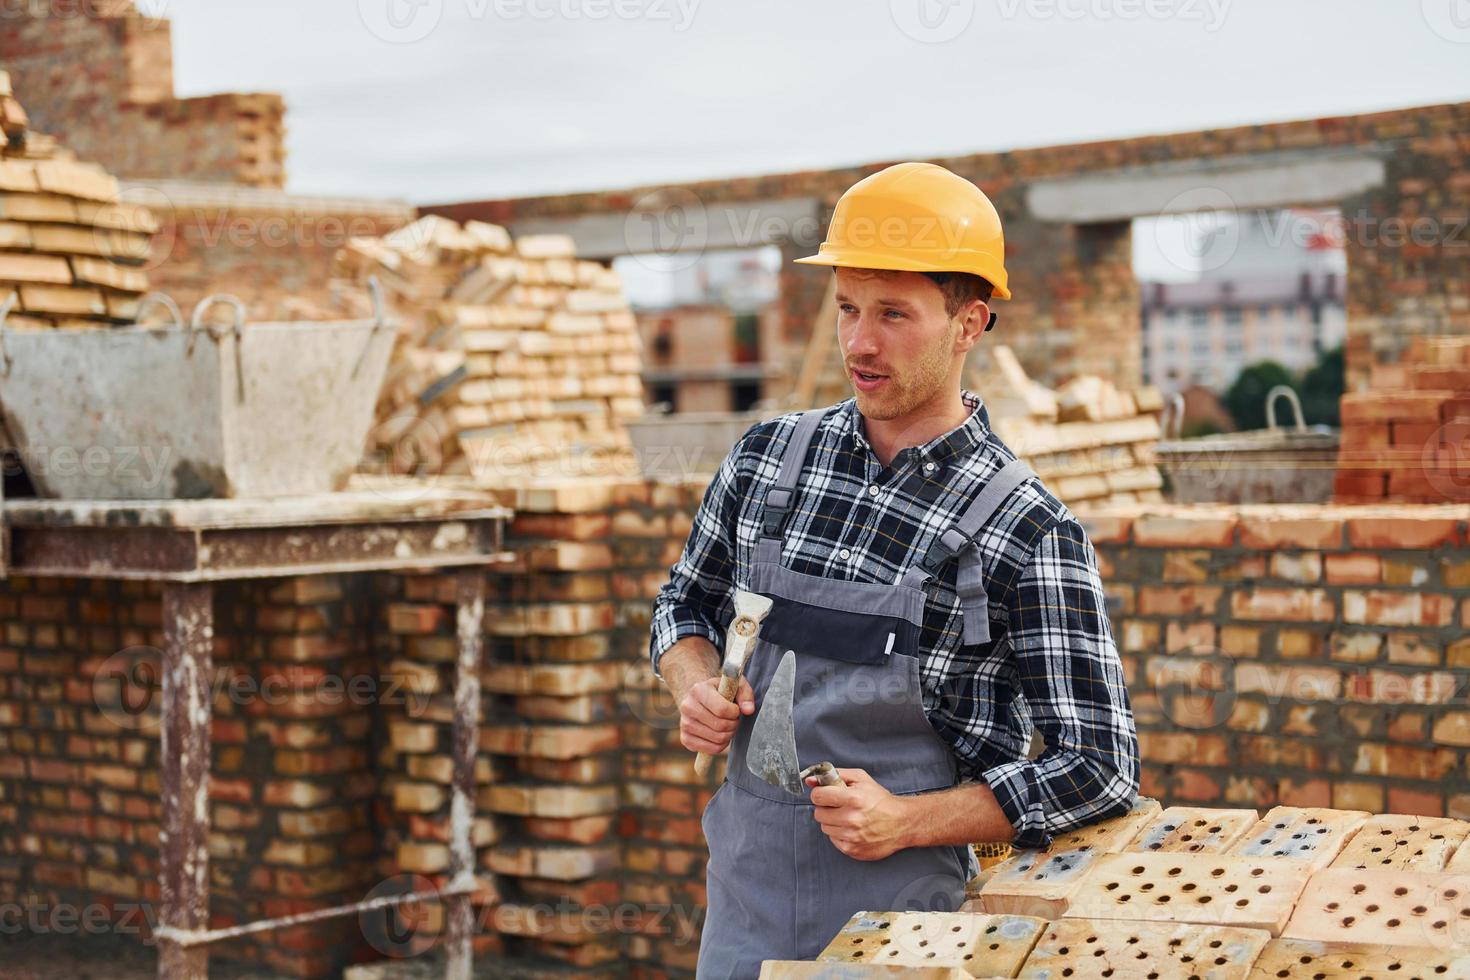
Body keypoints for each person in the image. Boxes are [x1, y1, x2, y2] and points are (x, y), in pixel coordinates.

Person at [648, 161, 1140, 979]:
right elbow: (683, 604)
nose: (858, 343)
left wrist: (908, 821)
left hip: (909, 927)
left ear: (969, 323)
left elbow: (1097, 766)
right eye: (846, 308)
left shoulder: (1026, 528)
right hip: (743, 907)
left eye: (893, 315)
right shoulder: (767, 461)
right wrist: (693, 682)